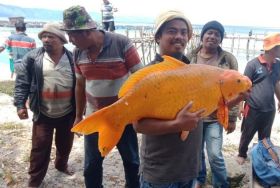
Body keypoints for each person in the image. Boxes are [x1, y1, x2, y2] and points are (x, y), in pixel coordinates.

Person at [62, 5, 142, 188]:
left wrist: (138, 111)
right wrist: (78, 116)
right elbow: (80, 84)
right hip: (95, 117)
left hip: (123, 118)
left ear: (86, 32)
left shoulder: (121, 43)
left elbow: (141, 79)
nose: (70, 40)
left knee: (132, 162)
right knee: (91, 165)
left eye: (72, 35)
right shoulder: (77, 52)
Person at [133, 10, 205, 187]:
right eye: (172, 31)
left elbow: (203, 110)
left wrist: (230, 101)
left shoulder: (195, 73)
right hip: (160, 173)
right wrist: (177, 125)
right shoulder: (148, 76)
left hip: (189, 167)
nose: (179, 36)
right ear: (158, 37)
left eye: (183, 32)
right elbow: (138, 125)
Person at [13, 23, 76, 188]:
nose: (46, 40)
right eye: (43, 37)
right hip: (43, 113)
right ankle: (35, 180)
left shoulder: (72, 59)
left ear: (62, 40)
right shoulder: (33, 58)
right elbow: (22, 83)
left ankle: (61, 165)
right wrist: (20, 104)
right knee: (39, 148)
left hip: (67, 113)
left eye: (51, 36)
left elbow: (82, 86)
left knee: (65, 144)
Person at [187, 20, 240, 188]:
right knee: (196, 154)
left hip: (215, 117)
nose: (212, 36)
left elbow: (236, 89)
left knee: (215, 155)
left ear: (220, 39)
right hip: (193, 116)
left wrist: (232, 118)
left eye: (217, 34)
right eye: (209, 33)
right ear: (202, 36)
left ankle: (221, 184)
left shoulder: (228, 60)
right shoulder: (189, 57)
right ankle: (200, 179)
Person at [236, 33, 280, 165]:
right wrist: (241, 106)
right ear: (273, 48)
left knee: (265, 136)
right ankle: (242, 153)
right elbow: (243, 86)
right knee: (247, 132)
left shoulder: (278, 65)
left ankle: (262, 155)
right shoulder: (252, 64)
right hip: (253, 107)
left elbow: (276, 83)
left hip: (270, 108)